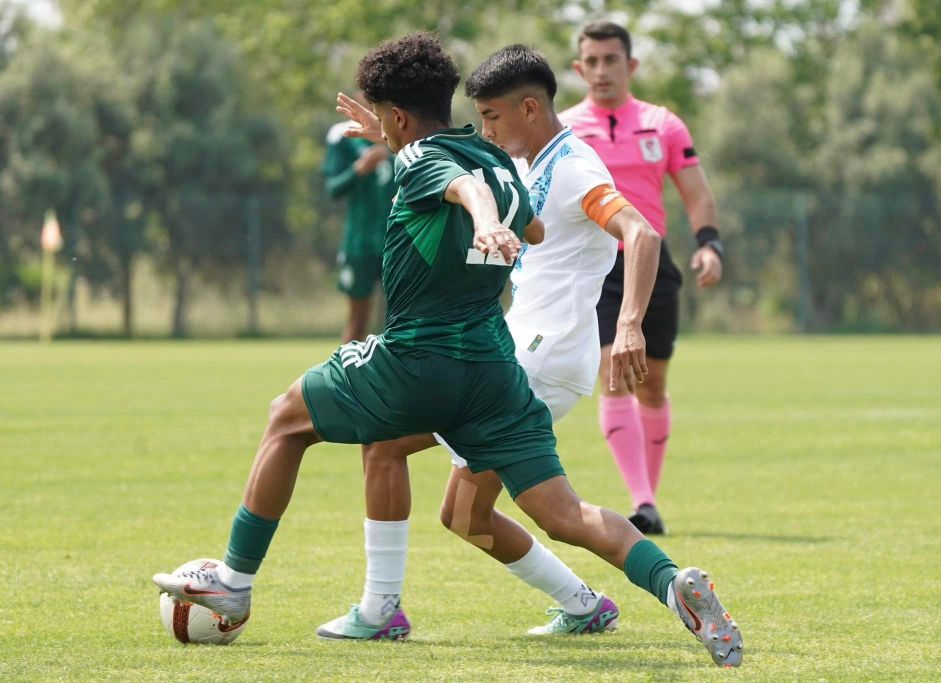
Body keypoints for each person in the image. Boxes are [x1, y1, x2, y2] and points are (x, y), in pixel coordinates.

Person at [153, 33, 742, 668]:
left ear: (400, 117)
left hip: (440, 355)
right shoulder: (502, 163)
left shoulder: (473, 164)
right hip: (496, 369)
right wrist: (435, 169)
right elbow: (531, 223)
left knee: (287, 417)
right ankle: (664, 582)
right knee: (540, 512)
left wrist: (480, 214)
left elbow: (464, 188)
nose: (486, 124)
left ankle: (239, 588)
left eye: (386, 118)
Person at [323, 43, 661, 640]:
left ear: (528, 108)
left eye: (491, 117)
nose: (484, 130)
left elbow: (640, 232)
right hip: (525, 348)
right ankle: (586, 605)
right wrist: (392, 134)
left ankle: (379, 611)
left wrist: (630, 321)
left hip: (537, 353)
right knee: (464, 515)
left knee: (386, 444)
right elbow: (463, 178)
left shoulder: (575, 166)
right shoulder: (532, 159)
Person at [561, 21, 725, 534]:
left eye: (612, 60)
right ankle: (644, 500)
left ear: (630, 66)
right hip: (598, 265)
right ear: (578, 68)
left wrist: (710, 245)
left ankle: (648, 502)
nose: (602, 70)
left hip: (655, 262)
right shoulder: (563, 129)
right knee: (614, 370)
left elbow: (696, 193)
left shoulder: (663, 124)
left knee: (652, 387)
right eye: (593, 61)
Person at [322, 93, 397, 342]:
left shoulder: (401, 129)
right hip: (360, 241)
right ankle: (345, 380)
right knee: (357, 322)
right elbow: (333, 188)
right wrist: (359, 169)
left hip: (398, 242)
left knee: (400, 321)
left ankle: (393, 380)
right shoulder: (343, 135)